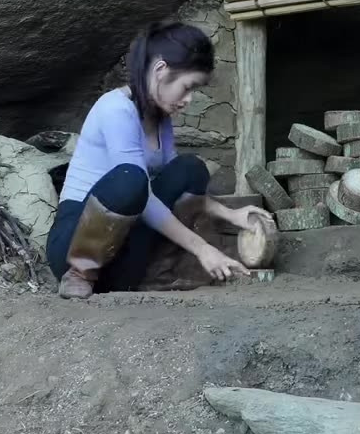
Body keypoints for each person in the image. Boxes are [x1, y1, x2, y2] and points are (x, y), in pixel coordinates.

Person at [47, 21, 274, 299]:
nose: (189, 99)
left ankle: (158, 272)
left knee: (190, 169)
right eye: (187, 87)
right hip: (75, 243)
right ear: (160, 70)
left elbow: (178, 195)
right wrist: (202, 248)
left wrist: (232, 214)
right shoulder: (115, 109)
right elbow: (142, 195)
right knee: (131, 178)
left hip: (121, 252)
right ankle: (81, 273)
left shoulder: (161, 119)